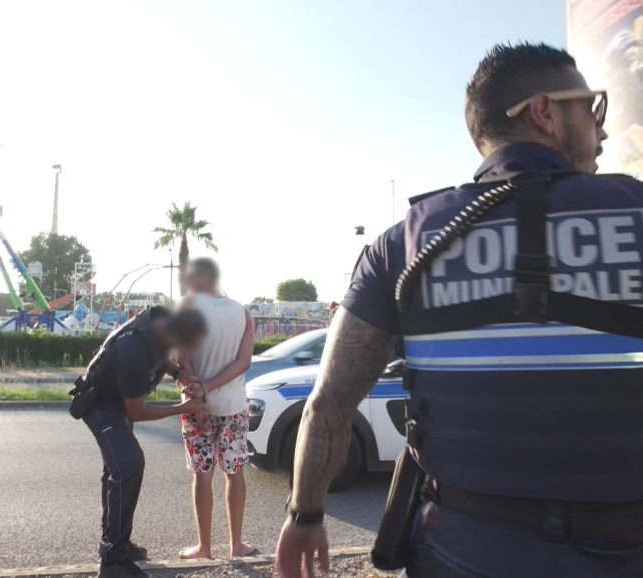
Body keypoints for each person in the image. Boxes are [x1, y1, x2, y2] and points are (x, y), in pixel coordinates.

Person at [276, 42, 643, 578]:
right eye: (592, 107)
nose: (601, 127)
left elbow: (328, 405)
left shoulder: (402, 245)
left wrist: (305, 515)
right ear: (544, 111)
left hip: (459, 556)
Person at [81, 306, 206, 578]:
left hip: (116, 399)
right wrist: (183, 408)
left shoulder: (161, 325)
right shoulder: (134, 350)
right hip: (101, 404)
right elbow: (136, 411)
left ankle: (116, 544)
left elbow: (163, 359)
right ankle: (113, 563)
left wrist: (179, 374)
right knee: (128, 465)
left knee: (119, 469)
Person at [177, 257, 257, 560]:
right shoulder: (242, 312)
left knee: (202, 474)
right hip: (234, 406)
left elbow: (182, 359)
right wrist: (211, 385)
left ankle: (205, 548)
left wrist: (199, 389)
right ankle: (237, 545)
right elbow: (243, 362)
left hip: (198, 405)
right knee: (234, 473)